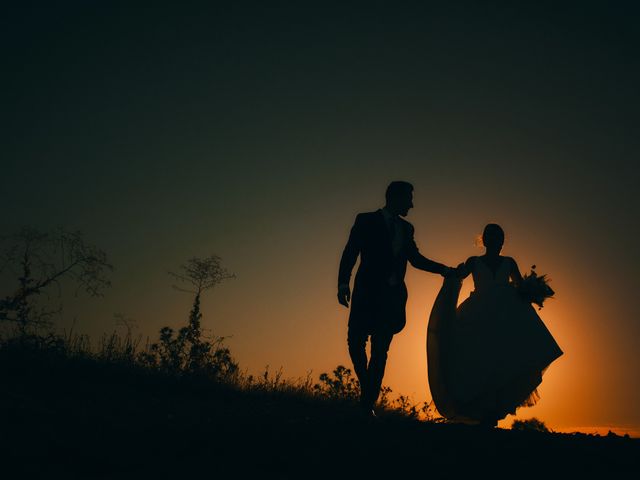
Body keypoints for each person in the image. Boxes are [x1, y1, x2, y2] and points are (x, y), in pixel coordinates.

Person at [427, 223, 563, 427]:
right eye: (492, 237)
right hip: (478, 315)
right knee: (480, 361)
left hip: (506, 317)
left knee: (502, 361)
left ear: (502, 241)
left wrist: (532, 290)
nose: (496, 241)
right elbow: (459, 276)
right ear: (485, 240)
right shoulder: (474, 261)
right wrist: (450, 275)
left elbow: (519, 286)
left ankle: (492, 411)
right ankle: (481, 409)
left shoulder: (510, 262)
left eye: (499, 238)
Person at [338, 181, 454, 417]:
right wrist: (343, 283)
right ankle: (368, 387)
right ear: (395, 197)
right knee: (355, 341)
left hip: (391, 298)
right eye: (409, 199)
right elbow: (351, 251)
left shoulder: (407, 229)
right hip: (366, 293)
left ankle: (367, 404)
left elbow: (416, 259)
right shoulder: (365, 220)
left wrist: (445, 269)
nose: (412, 204)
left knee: (380, 351)